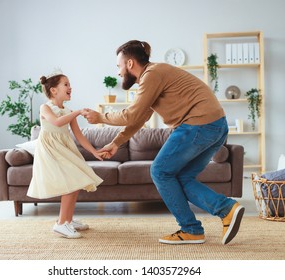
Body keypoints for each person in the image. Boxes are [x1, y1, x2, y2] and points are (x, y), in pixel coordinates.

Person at [82, 40, 245, 245]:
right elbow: (140, 118)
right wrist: (116, 143)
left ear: (130, 63)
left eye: (118, 66)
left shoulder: (152, 74)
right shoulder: (155, 76)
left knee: (159, 171)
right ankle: (217, 216)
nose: (118, 72)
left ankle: (195, 225)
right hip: (215, 125)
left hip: (197, 125)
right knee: (182, 177)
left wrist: (101, 117)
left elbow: (130, 115)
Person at [27, 69, 104, 239]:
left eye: (70, 84)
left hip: (65, 149)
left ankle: (67, 220)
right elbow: (55, 121)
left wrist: (94, 151)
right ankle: (61, 224)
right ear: (54, 90)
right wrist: (76, 112)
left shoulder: (69, 111)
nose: (71, 87)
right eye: (66, 84)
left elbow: (79, 135)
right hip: (51, 150)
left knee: (75, 182)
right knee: (70, 182)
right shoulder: (45, 107)